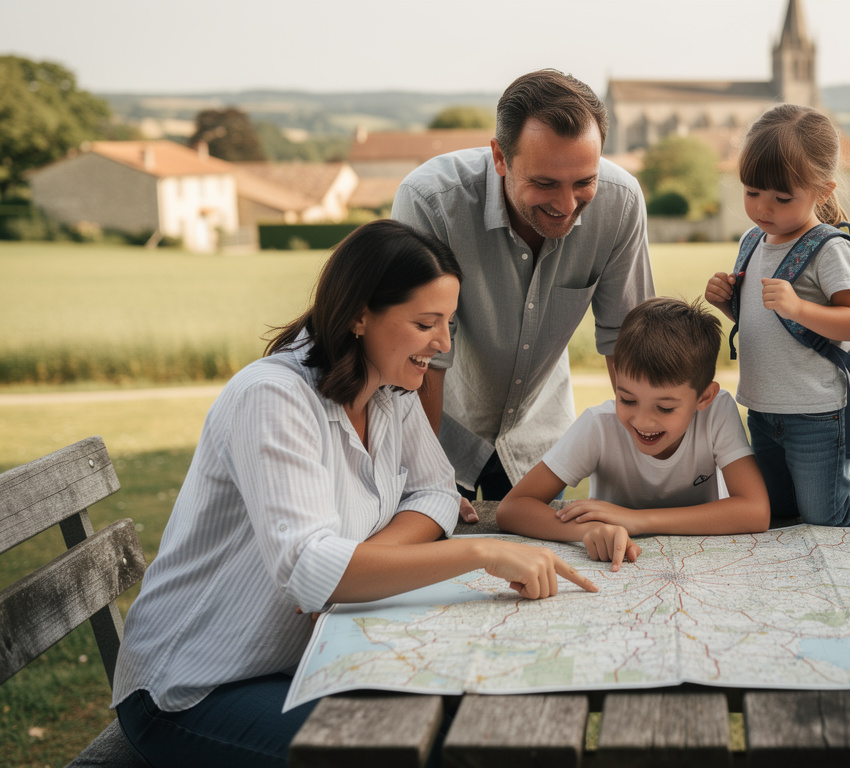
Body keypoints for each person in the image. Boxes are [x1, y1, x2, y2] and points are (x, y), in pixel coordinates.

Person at [110, 220, 597, 768]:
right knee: (423, 751)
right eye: (425, 324)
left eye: (449, 323)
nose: (443, 344)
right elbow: (310, 571)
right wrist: (482, 552)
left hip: (309, 657)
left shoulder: (390, 389)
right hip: (196, 685)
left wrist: (357, 567)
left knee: (484, 722)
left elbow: (437, 491)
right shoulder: (272, 398)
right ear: (359, 316)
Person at [392, 69, 655, 522]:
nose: (567, 206)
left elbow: (626, 342)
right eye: (545, 183)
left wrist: (647, 469)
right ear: (500, 157)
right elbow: (423, 352)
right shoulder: (430, 202)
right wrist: (427, 478)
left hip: (540, 439)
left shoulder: (621, 203)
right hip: (438, 429)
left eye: (584, 182)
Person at [703, 103, 850, 527]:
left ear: (823, 191)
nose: (763, 208)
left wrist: (798, 306)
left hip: (818, 411)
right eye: (752, 192)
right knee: (778, 511)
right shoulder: (752, 241)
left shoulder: (829, 249)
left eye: (782, 198)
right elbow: (764, 320)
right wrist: (726, 302)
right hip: (762, 406)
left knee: (830, 512)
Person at [496, 296, 770, 569]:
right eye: (627, 400)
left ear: (704, 397)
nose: (643, 421)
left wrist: (637, 520)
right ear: (616, 377)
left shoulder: (717, 412)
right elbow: (513, 508)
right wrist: (590, 531)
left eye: (665, 408)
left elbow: (755, 511)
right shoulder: (598, 425)